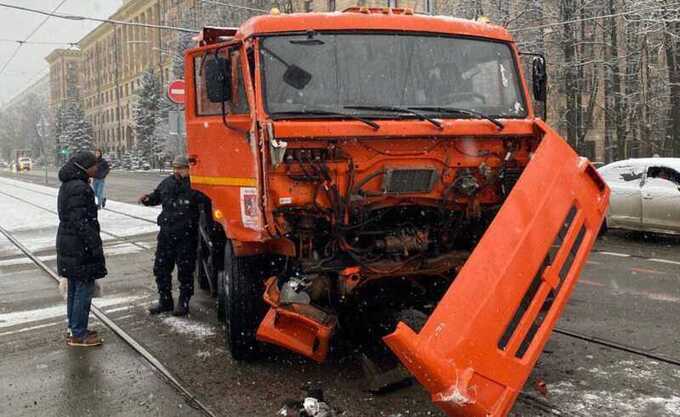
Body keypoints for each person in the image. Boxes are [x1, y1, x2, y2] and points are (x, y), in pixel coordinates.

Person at [139, 155, 204, 317]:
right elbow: (157, 196)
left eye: (181, 168)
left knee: (185, 270)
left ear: (189, 169)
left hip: (186, 234)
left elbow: (205, 206)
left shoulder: (196, 185)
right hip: (166, 233)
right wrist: (148, 199)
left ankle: (184, 301)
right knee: (161, 268)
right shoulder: (167, 182)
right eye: (175, 168)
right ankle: (165, 300)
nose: (177, 171)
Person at [56, 151, 107, 347]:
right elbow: (81, 221)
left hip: (70, 243)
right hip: (79, 245)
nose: (97, 168)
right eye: (94, 165)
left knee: (76, 287)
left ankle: (74, 328)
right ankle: (78, 333)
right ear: (85, 167)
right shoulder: (80, 187)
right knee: (83, 289)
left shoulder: (71, 184)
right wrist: (93, 244)